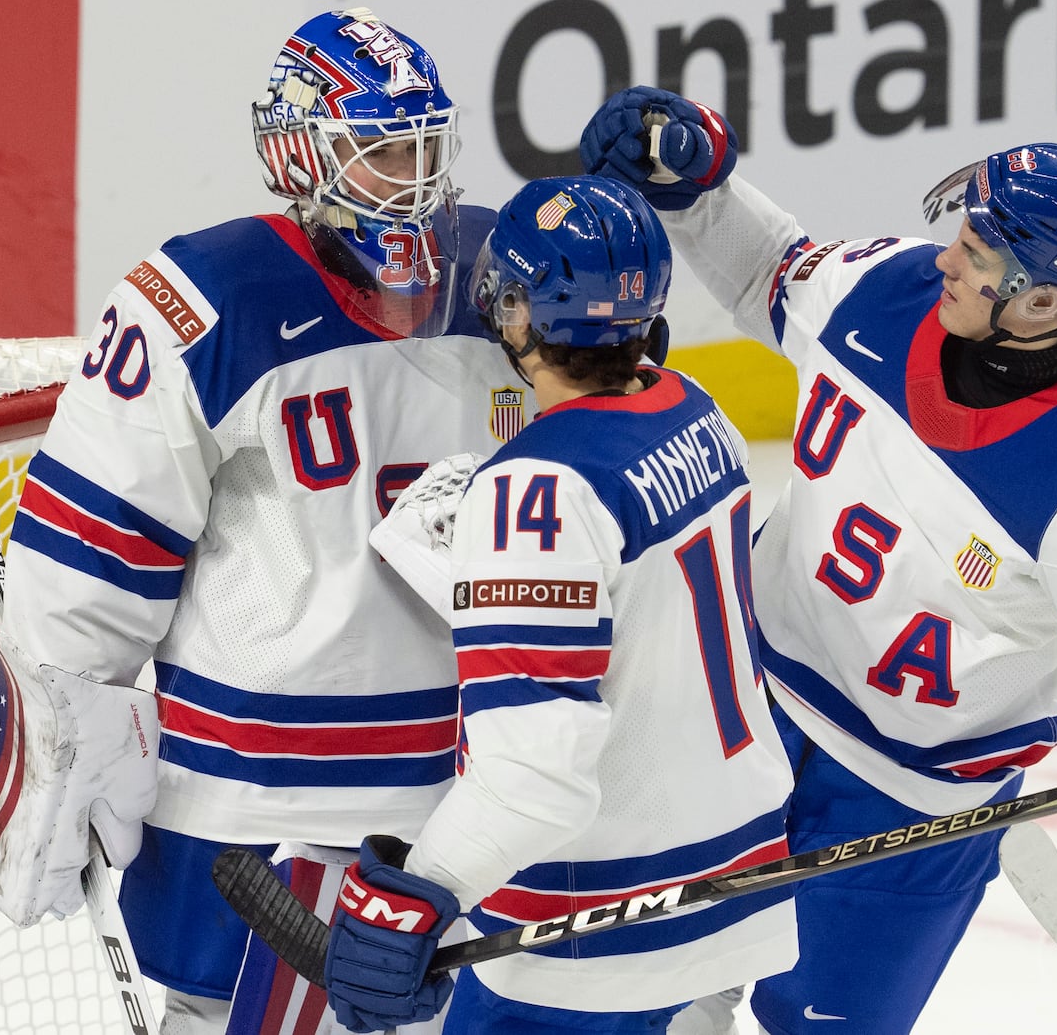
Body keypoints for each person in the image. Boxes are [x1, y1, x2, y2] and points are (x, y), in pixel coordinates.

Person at [579, 87, 1057, 1034]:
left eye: (981, 253)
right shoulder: (887, 288)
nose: (950, 255)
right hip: (733, 716)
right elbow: (771, 273)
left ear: (1042, 299)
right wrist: (699, 188)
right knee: (654, 996)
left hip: (906, 808)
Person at [0, 8, 529, 1035]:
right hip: (255, 812)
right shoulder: (202, 300)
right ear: (300, 153)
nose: (415, 176)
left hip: (453, 806)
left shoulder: (497, 277)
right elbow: (96, 540)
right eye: (383, 149)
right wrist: (58, 730)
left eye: (427, 145)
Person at [323, 174, 799, 1034]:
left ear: (514, 312)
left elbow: (536, 773)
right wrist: (478, 572)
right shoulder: (698, 408)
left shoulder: (537, 493)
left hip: (596, 924)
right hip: (730, 876)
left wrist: (419, 890)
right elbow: (641, 611)